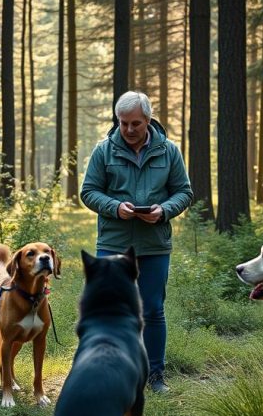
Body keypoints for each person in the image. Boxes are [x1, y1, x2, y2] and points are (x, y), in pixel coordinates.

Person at [81, 91, 192, 393]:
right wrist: (115, 207)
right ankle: (109, 371)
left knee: (153, 309)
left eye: (135, 123)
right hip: (113, 244)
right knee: (109, 308)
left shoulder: (169, 151)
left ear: (148, 120)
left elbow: (184, 192)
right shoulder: (103, 150)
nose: (128, 130)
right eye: (123, 123)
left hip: (154, 244)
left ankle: (155, 375)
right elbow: (89, 191)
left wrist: (163, 211)